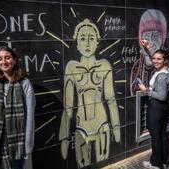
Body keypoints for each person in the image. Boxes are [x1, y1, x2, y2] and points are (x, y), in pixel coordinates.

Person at [59, 19, 120, 168]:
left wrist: (116, 126)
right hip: (81, 126)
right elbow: (68, 105)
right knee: (83, 165)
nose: (87, 43)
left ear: (97, 42)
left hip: (102, 123)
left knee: (103, 164)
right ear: (77, 43)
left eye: (91, 38)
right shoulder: (72, 67)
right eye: (82, 38)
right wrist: (65, 137)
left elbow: (111, 99)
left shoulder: (104, 65)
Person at [139, 48, 169, 169]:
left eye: (159, 59)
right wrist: (147, 48)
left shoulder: (162, 76)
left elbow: (162, 96)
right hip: (163, 108)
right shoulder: (166, 70)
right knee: (162, 134)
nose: (155, 61)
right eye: (154, 58)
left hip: (157, 107)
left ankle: (155, 164)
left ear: (165, 60)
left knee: (155, 136)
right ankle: (163, 161)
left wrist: (146, 91)